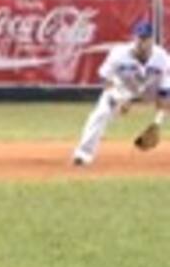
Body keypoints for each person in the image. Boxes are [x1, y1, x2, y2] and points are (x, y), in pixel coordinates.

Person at [72, 19, 170, 166]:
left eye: (146, 38)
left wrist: (157, 122)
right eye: (139, 38)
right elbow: (104, 78)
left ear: (152, 40)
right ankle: (83, 155)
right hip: (124, 89)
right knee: (101, 113)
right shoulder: (119, 53)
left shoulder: (162, 57)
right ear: (133, 38)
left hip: (150, 90)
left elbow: (164, 92)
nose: (142, 42)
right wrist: (119, 99)